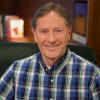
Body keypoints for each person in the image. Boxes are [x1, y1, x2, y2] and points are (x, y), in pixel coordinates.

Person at [0, 2, 100, 100]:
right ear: (35, 35)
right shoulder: (16, 71)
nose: (51, 39)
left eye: (58, 30)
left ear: (69, 33)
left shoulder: (92, 75)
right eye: (44, 31)